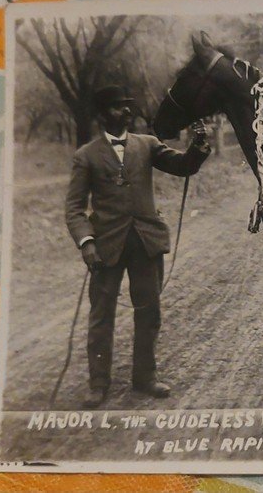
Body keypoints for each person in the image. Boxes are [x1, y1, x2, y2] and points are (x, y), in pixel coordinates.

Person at [65, 85, 210, 409]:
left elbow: (183, 165)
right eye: (118, 106)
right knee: (101, 316)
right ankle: (98, 384)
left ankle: (145, 377)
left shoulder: (147, 144)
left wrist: (198, 147)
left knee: (149, 311)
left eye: (127, 105)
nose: (127, 111)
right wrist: (87, 242)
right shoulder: (86, 155)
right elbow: (74, 208)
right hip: (105, 247)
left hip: (146, 241)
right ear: (102, 114)